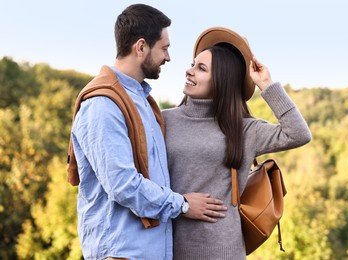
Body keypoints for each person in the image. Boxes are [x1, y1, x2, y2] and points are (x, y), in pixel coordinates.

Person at [69, 6, 226, 260]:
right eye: (164, 48)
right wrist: (183, 204)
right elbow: (123, 185)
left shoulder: (143, 101)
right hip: (122, 254)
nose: (168, 57)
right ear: (141, 47)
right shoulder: (103, 105)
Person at [162, 27, 312, 259]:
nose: (189, 71)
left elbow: (298, 133)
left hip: (225, 251)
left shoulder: (243, 129)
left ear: (222, 80)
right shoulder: (163, 120)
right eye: (193, 64)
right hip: (168, 249)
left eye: (201, 68)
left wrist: (267, 85)